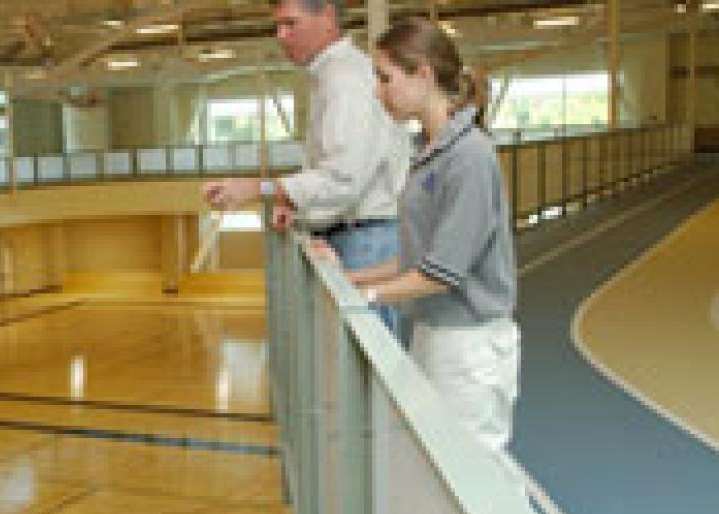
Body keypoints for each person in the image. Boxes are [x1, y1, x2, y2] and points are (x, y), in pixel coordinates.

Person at [320, 17, 519, 453]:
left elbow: (440, 273)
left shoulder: (469, 157)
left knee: (474, 469)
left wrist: (365, 298)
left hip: (468, 346)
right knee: (436, 464)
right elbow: (417, 258)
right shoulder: (428, 152)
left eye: (385, 78)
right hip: (433, 332)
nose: (378, 92)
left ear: (424, 75)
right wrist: (349, 279)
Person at [201, 0, 409, 334]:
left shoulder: (345, 80)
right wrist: (298, 205)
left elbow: (342, 180)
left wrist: (256, 188)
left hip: (363, 242)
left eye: (291, 24)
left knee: (365, 357)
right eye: (277, 26)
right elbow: (340, 172)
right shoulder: (332, 75)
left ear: (327, 17)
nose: (281, 35)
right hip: (356, 235)